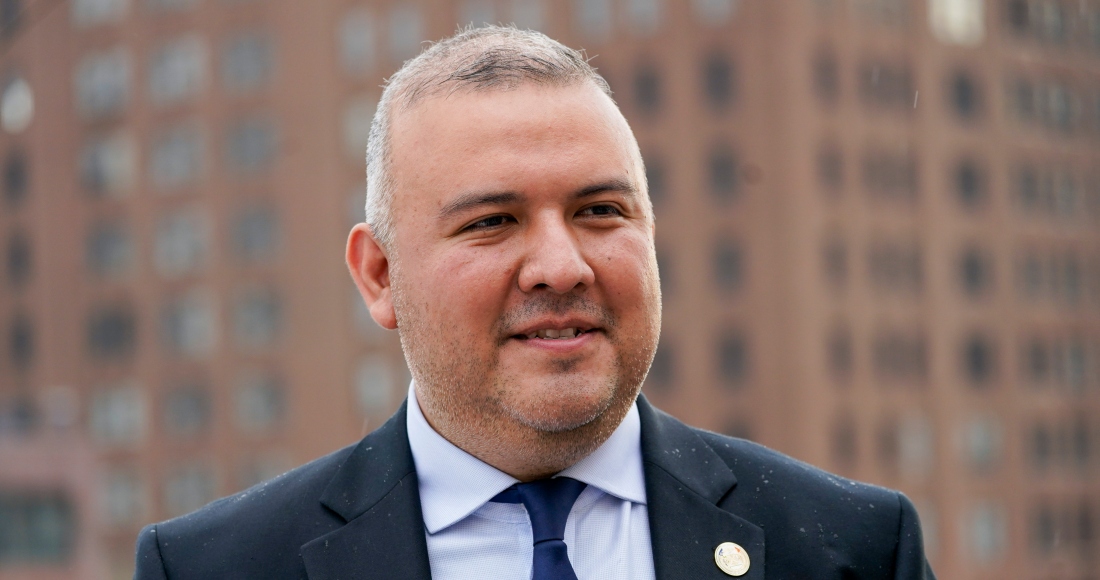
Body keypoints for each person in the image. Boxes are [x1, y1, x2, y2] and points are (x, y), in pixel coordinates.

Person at [134, 26, 934, 579]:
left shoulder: (853, 551)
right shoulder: (214, 569)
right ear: (379, 275)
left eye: (600, 211)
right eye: (492, 221)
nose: (561, 265)